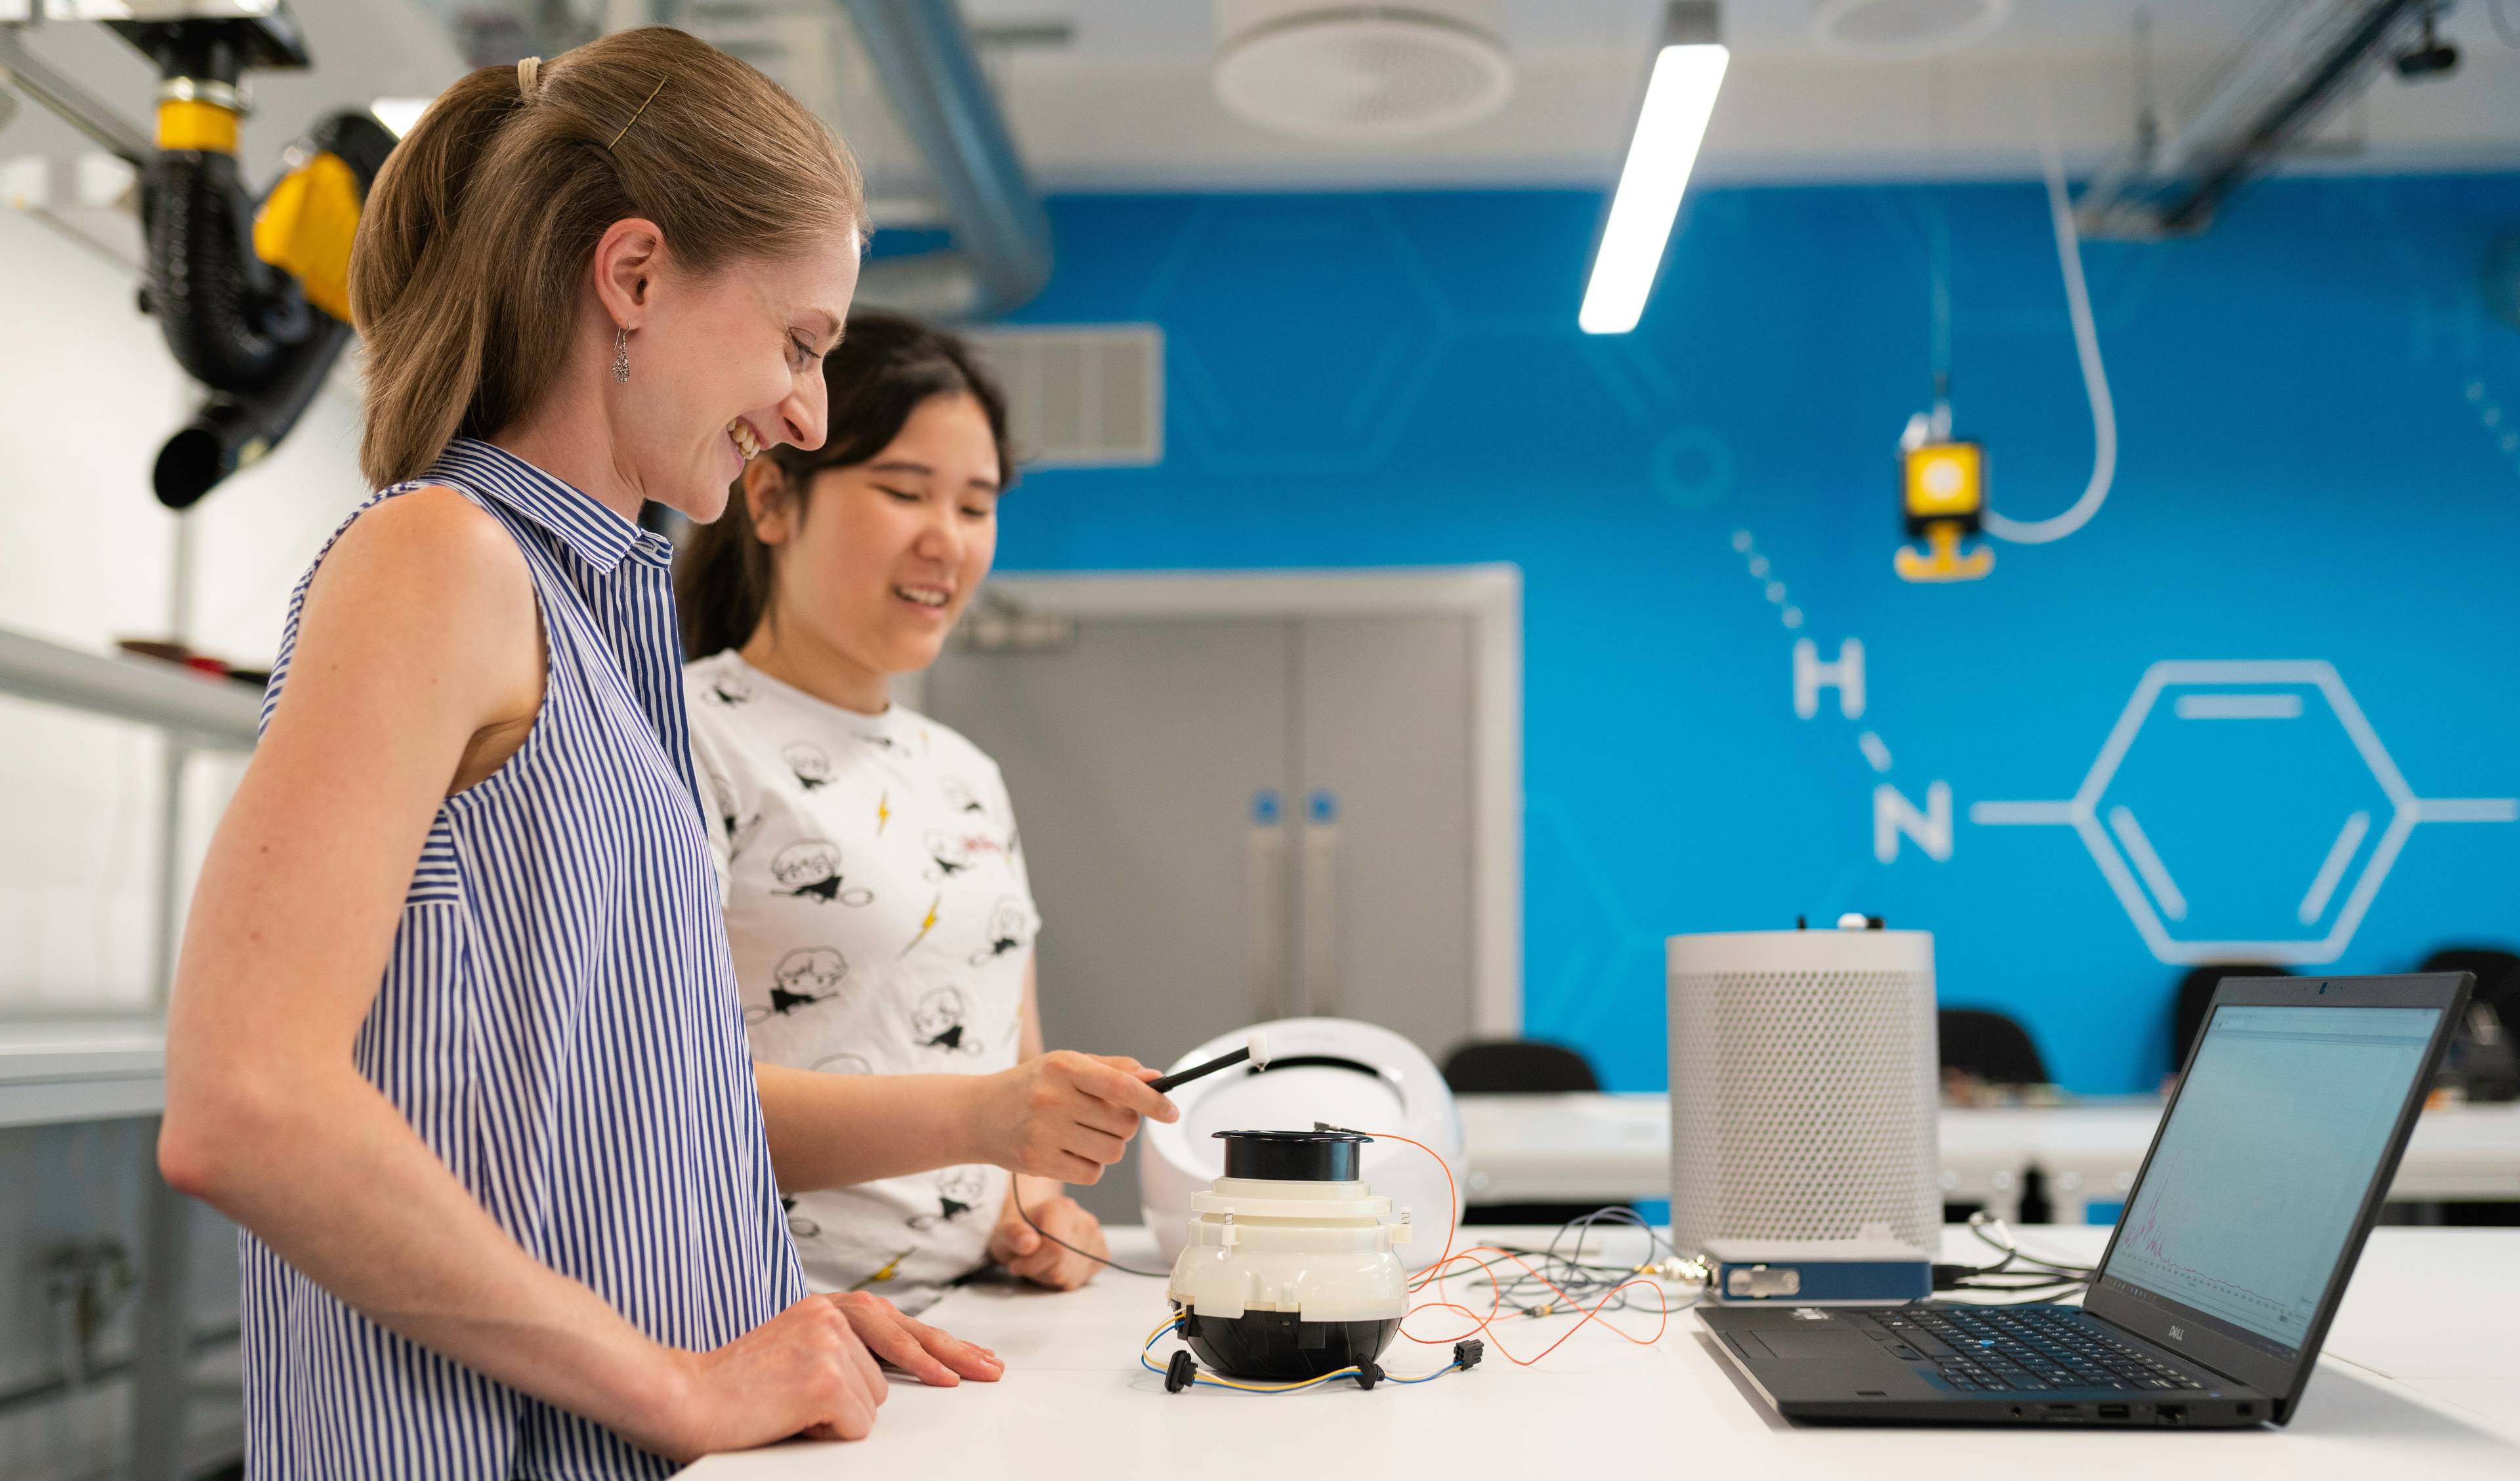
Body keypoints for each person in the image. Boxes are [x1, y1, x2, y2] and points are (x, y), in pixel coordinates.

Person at [154, 31, 1062, 1478]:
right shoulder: (438, 560)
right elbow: (244, 1106)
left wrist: (759, 1311)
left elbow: (584, 1120)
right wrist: (678, 1385)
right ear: (633, 276)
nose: (808, 414)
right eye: (799, 342)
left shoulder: (602, 613)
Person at [677, 314, 1154, 1310]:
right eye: (902, 490)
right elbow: (667, 1097)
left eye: (976, 505)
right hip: (773, 1323)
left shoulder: (964, 771)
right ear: (770, 497)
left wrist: (1038, 1207)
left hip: (974, 1322)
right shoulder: (685, 734)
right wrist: (982, 1117)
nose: (948, 537)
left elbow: (1010, 1061)